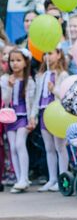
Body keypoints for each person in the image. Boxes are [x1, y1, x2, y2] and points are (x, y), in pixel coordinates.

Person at [1, 48, 37, 193]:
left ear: (25, 62)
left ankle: (24, 177)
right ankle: (19, 178)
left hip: (23, 116)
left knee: (20, 144)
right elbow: (5, 101)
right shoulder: (4, 79)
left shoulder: (29, 81)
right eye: (12, 61)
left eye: (18, 60)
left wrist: (33, 118)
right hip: (10, 117)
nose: (14, 64)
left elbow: (33, 102)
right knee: (13, 147)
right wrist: (9, 87)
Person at [34, 47, 69, 192]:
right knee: (49, 148)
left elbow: (64, 94)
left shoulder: (63, 74)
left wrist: (53, 89)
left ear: (59, 54)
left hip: (57, 113)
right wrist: (33, 114)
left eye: (50, 53)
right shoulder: (41, 75)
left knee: (60, 147)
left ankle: (63, 178)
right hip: (43, 112)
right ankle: (52, 178)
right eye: (45, 54)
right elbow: (37, 96)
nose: (47, 57)